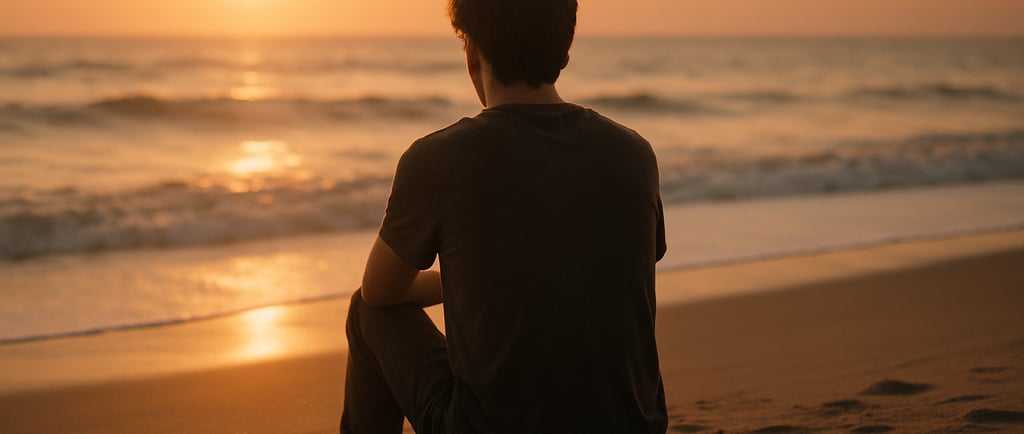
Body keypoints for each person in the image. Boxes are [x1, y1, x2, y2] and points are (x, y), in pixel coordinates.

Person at [340, 0, 668, 432]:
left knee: (365, 310)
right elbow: (624, 269)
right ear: (566, 51)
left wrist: (466, 279)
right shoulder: (634, 155)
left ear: (471, 51)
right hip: (630, 424)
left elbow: (379, 291)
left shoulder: (437, 159)